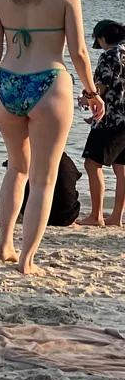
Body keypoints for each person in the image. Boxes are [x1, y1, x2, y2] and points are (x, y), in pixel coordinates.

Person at [0, 0, 103, 274]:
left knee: (16, 169)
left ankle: (4, 244)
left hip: (7, 83)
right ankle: (27, 260)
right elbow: (79, 51)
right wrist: (92, 92)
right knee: (43, 180)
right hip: (48, 83)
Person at [78, 19, 125, 227]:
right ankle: (116, 217)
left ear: (103, 37)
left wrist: (86, 99)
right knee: (121, 168)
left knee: (92, 163)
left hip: (110, 120)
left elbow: (101, 89)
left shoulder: (109, 55)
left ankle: (96, 216)